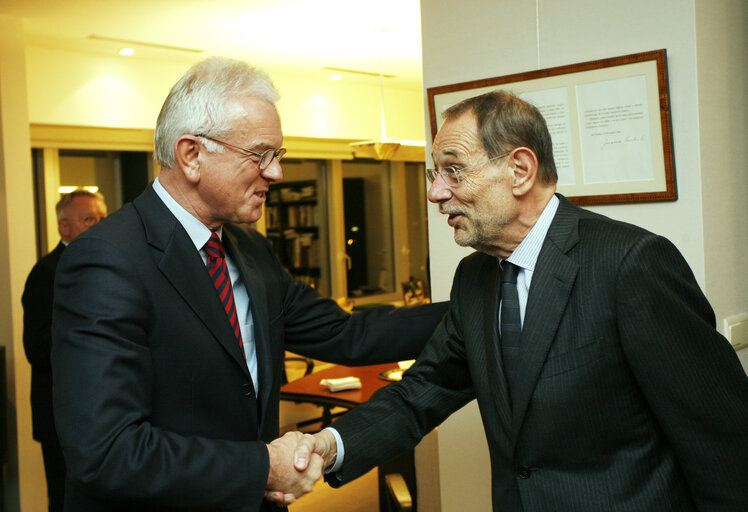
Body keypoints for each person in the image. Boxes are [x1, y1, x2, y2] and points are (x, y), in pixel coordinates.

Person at [290, 90, 748, 511]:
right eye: (435, 173)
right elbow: (423, 392)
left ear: (519, 170)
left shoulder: (630, 263)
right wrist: (330, 443)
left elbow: (721, 440)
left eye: (454, 169)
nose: (435, 192)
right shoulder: (474, 277)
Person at [50, 57, 448, 512]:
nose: (275, 173)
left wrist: (478, 308)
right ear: (191, 155)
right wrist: (260, 467)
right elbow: (106, 453)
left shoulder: (248, 250)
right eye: (260, 155)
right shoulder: (108, 260)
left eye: (276, 156)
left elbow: (347, 334)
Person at [22, 188, 107, 512]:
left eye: (102, 218)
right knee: (66, 499)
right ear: (64, 228)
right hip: (62, 416)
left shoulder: (112, 266)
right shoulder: (45, 274)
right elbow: (37, 349)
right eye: (89, 219)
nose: (99, 226)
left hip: (104, 412)